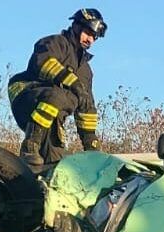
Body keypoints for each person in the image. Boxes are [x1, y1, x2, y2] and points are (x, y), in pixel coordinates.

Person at [8, 9, 107, 166]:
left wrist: (91, 144)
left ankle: (32, 182)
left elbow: (86, 105)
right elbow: (42, 63)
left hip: (51, 115)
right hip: (26, 95)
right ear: (76, 26)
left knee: (55, 162)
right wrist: (73, 82)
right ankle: (30, 146)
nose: (90, 40)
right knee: (58, 95)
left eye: (94, 37)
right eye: (88, 33)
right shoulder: (55, 43)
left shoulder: (85, 71)